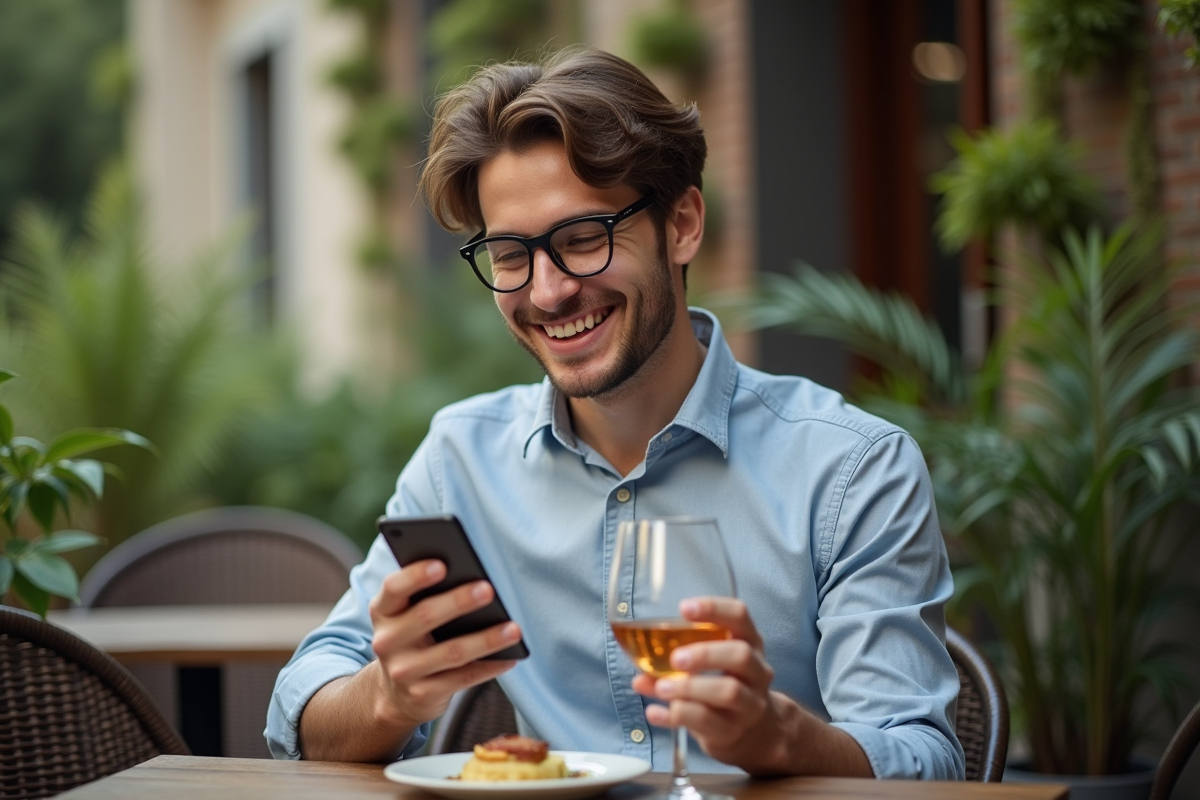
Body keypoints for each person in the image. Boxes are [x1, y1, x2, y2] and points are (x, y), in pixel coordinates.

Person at [266, 45, 964, 780]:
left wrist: (782, 741)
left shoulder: (852, 470)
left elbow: (927, 762)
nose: (547, 292)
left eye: (581, 240)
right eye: (510, 254)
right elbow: (298, 714)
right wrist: (389, 695)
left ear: (683, 224)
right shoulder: (461, 460)